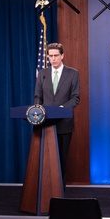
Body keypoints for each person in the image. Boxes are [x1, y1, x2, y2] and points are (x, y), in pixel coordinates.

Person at [33, 43, 80, 180]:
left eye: (56, 56)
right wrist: (38, 111)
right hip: (45, 124)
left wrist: (60, 110)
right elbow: (38, 97)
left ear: (62, 56)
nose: (53, 59)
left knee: (61, 160)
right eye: (50, 56)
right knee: (46, 160)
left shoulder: (73, 74)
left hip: (64, 124)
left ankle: (60, 191)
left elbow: (75, 98)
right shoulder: (42, 74)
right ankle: (46, 189)